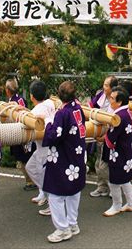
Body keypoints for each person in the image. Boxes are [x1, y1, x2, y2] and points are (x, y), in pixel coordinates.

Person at [42, 81, 87, 243]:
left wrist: (48, 123)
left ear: (59, 95)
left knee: (55, 194)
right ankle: (72, 224)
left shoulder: (63, 113)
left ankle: (62, 229)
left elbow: (54, 135)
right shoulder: (77, 108)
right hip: (77, 154)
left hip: (63, 157)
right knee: (74, 191)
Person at [101, 88, 132, 217]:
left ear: (119, 101)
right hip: (128, 151)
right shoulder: (127, 112)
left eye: (112, 98)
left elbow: (110, 141)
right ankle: (131, 203)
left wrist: (103, 134)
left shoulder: (118, 117)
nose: (110, 100)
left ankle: (116, 205)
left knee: (114, 180)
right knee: (125, 179)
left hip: (119, 153)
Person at [24, 80, 56, 215]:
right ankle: (43, 192)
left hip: (45, 148)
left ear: (31, 96)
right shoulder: (49, 102)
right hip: (45, 146)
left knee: (44, 175)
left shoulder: (35, 111)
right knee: (30, 167)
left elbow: (28, 119)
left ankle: (52, 204)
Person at [4, 78, 35, 191]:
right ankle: (30, 180)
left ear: (8, 90)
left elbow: (24, 116)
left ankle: (31, 181)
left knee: (24, 159)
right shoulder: (13, 100)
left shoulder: (18, 100)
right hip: (16, 133)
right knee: (22, 159)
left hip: (21, 134)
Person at [88, 75, 116, 198]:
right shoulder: (101, 95)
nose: (104, 87)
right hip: (99, 132)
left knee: (107, 164)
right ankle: (102, 187)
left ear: (112, 87)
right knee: (99, 161)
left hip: (111, 134)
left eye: (106, 85)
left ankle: (114, 188)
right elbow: (91, 106)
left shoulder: (117, 97)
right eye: (104, 84)